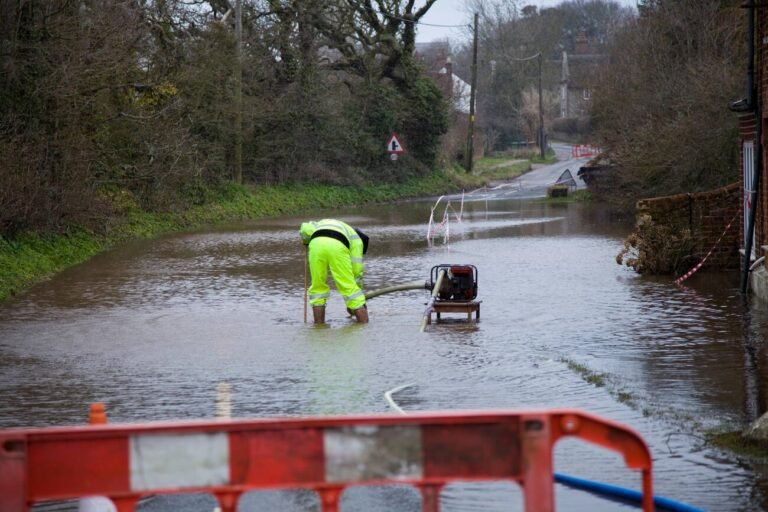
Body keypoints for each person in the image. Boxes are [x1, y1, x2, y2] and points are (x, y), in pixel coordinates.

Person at [300, 219, 370, 324]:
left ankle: (319, 327)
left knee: (317, 287)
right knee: (350, 289)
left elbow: (305, 228)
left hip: (316, 244)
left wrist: (305, 240)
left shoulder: (336, 225)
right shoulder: (357, 241)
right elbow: (356, 272)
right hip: (338, 246)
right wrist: (359, 297)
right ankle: (364, 326)